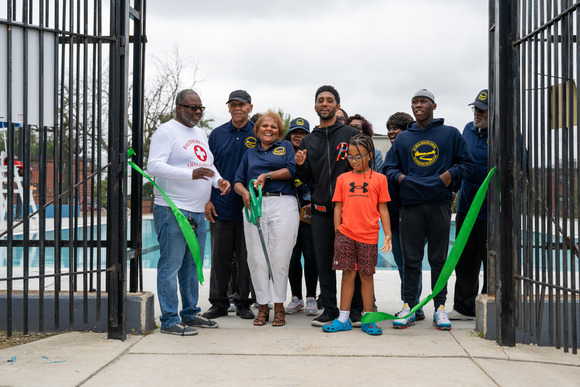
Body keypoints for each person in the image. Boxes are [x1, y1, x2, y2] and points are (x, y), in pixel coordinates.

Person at [384, 89, 474, 330]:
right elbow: (388, 168)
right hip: (411, 207)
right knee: (411, 261)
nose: (418, 105)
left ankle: (440, 308)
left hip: (438, 206)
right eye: (415, 102)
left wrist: (448, 176)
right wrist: (402, 179)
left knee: (438, 260)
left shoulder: (450, 134)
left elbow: (467, 164)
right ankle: (409, 306)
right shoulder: (403, 139)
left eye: (423, 101)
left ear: (434, 105)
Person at [148, 89, 230, 336]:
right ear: (178, 108)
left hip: (196, 211)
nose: (197, 112)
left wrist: (219, 182)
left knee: (191, 265)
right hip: (172, 208)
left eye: (200, 108)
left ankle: (191, 313)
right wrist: (189, 174)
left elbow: (207, 166)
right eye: (192, 107)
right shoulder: (165, 131)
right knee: (170, 266)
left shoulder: (200, 133)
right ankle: (169, 319)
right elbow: (154, 166)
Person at [295, 85, 363, 327]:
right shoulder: (308, 140)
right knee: (324, 260)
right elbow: (305, 178)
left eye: (329, 100)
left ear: (337, 105)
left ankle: (354, 310)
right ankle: (331, 309)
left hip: (349, 210)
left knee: (350, 261)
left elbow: (362, 168)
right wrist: (301, 165)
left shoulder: (350, 135)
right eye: (320, 100)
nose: (325, 103)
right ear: (315, 106)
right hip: (321, 210)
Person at [234, 111, 300, 327]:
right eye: (264, 126)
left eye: (273, 127)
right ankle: (262, 306)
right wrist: (244, 193)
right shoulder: (249, 154)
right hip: (255, 205)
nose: (268, 129)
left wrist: (267, 176)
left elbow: (292, 170)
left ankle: (279, 305)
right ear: (257, 129)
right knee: (256, 258)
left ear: (279, 131)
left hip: (283, 203)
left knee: (279, 258)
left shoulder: (286, 147)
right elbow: (237, 180)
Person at [322, 134, 392, 336]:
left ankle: (368, 319)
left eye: (358, 156)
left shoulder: (380, 179)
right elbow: (338, 208)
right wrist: (338, 233)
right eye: (350, 157)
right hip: (346, 234)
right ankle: (343, 318)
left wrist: (387, 234)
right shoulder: (343, 179)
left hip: (368, 235)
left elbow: (383, 209)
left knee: (366, 276)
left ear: (370, 155)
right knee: (347, 274)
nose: (353, 161)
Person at [203, 90, 256, 321]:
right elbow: (207, 170)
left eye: (241, 105)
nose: (237, 108)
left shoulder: (258, 131)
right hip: (221, 206)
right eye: (233, 104)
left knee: (246, 258)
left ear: (250, 108)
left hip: (249, 207)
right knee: (219, 258)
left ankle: (244, 302)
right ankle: (219, 303)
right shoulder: (216, 134)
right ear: (228, 108)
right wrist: (207, 199)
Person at [448, 89, 489, 321]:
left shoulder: (507, 133)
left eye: (482, 110)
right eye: (476, 109)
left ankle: (489, 305)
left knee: (490, 260)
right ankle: (464, 308)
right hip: (467, 207)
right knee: (465, 259)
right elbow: (461, 161)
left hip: (493, 210)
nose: (477, 113)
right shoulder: (468, 129)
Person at [382, 112, 425, 321]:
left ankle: (414, 305)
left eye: (396, 127)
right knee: (403, 264)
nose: (391, 131)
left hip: (413, 216)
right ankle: (411, 304)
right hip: (394, 219)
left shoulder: (413, 153)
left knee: (412, 263)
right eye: (389, 127)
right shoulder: (392, 153)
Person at [284, 117, 318, 316]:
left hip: (310, 212)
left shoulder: (313, 154)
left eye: (302, 133)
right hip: (288, 211)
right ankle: (296, 297)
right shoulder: (283, 155)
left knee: (311, 255)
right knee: (292, 256)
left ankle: (311, 297)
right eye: (295, 132)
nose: (298, 136)